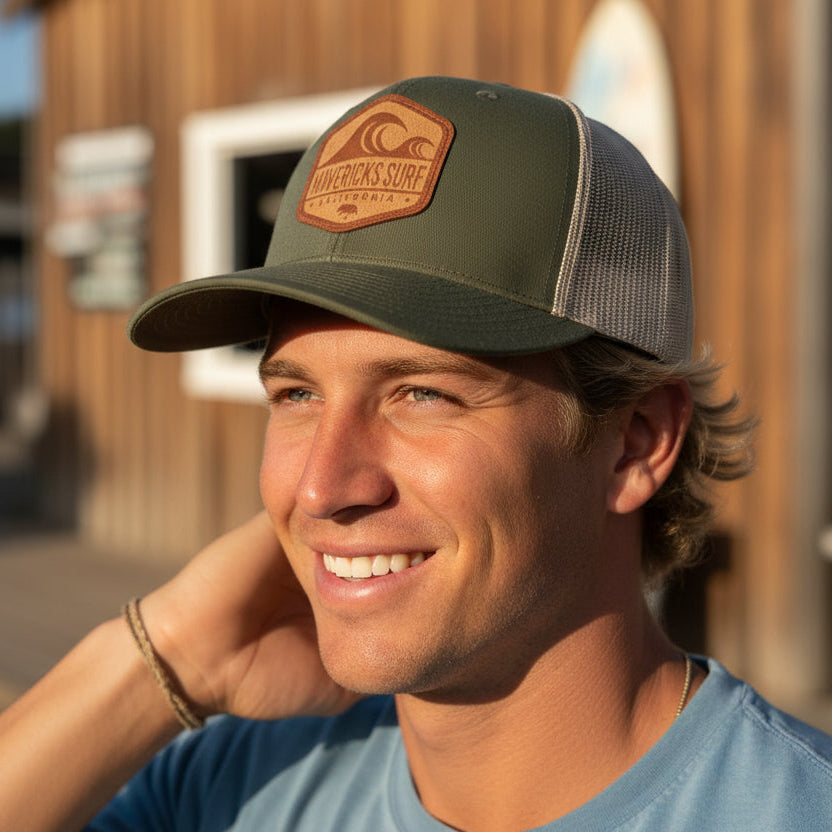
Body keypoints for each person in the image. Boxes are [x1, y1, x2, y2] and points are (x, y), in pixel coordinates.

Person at [1, 76, 830, 832]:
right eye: (297, 395)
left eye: (422, 394)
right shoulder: (238, 782)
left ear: (637, 442)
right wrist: (164, 660)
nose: (322, 486)